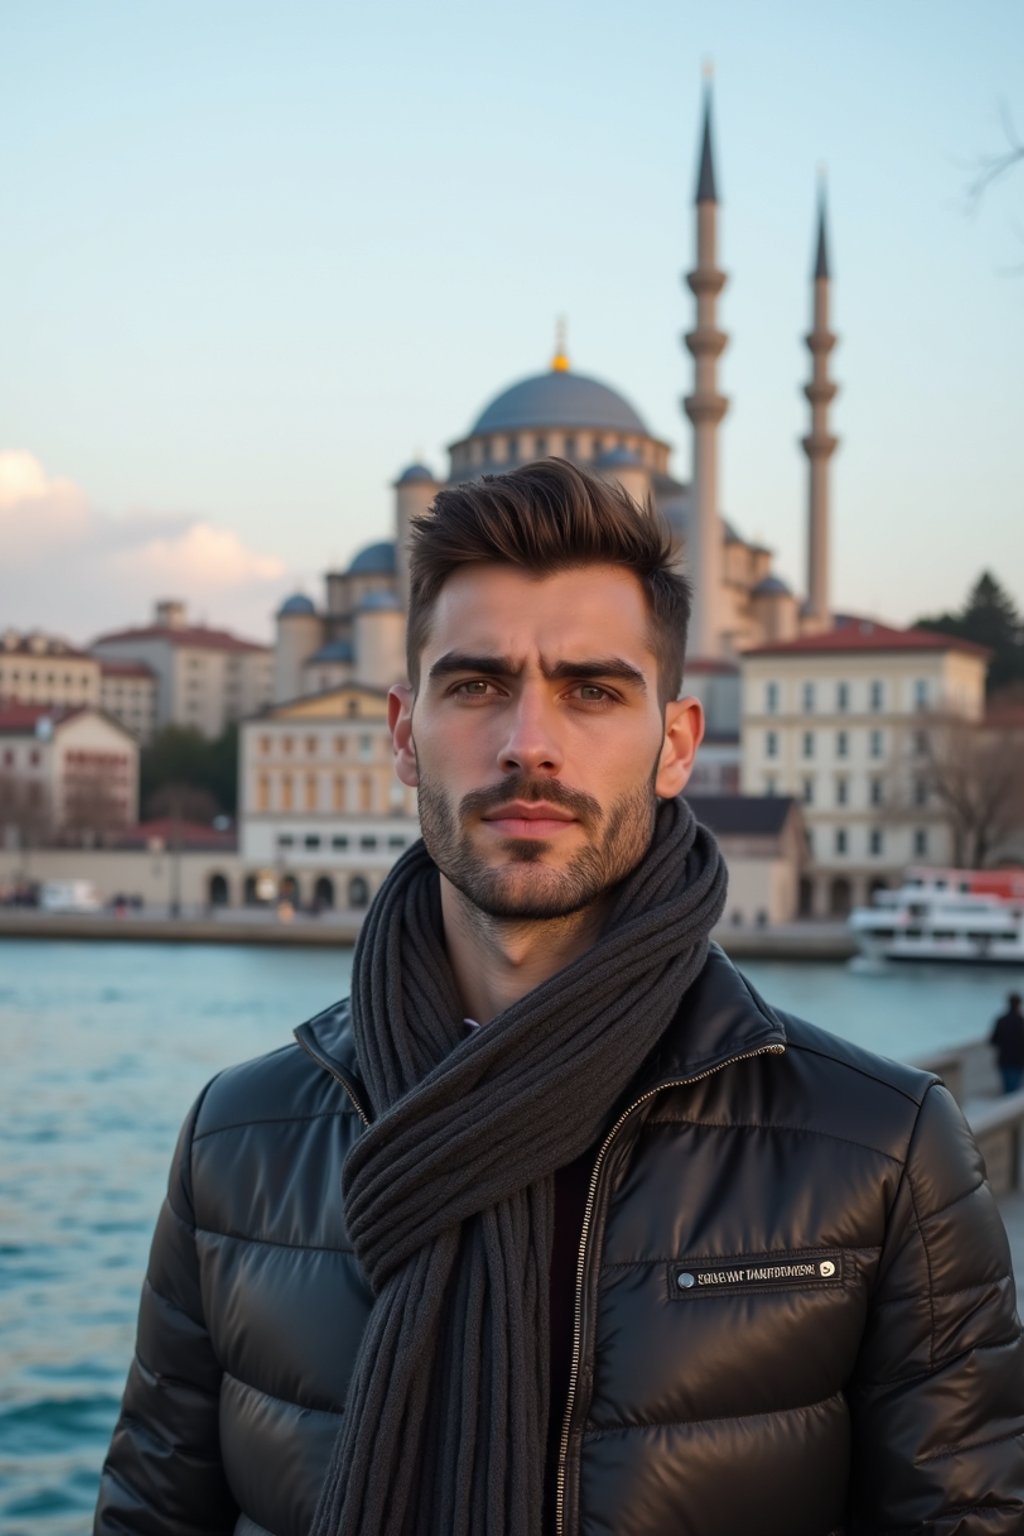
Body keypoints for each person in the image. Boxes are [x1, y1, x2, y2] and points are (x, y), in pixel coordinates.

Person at [95, 460, 1024, 1536]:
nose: (528, 741)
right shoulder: (237, 1145)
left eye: (591, 690)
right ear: (402, 733)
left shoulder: (881, 1153)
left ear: (674, 744)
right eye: (477, 685)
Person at [991, 991, 1024, 1095]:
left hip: (1004, 1059)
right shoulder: (1021, 1022)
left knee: (1007, 1089)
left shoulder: (1001, 1021)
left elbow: (993, 1040)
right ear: (1019, 1004)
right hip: (1018, 1061)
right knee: (1014, 1090)